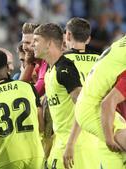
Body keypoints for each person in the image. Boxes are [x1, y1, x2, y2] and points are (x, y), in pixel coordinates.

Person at [32, 23, 99, 169]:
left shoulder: (64, 69)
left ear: (49, 44)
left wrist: (70, 144)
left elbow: (84, 105)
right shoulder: (51, 70)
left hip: (77, 147)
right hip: (62, 143)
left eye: (36, 40)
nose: (32, 44)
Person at [0, 49, 44, 169]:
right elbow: (41, 125)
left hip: (8, 158)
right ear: (7, 66)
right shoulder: (28, 87)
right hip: (35, 154)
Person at [68, 35, 126, 169]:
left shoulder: (120, 46)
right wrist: (109, 138)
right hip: (94, 108)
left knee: (117, 157)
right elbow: (107, 103)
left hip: (90, 104)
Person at [63, 17, 101, 168]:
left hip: (67, 138)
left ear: (67, 35)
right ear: (88, 39)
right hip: (96, 137)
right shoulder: (100, 60)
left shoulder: (61, 62)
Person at [19, 22, 47, 97]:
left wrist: (29, 63)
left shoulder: (47, 64)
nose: (24, 47)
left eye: (28, 43)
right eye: (23, 43)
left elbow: (28, 95)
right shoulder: (37, 65)